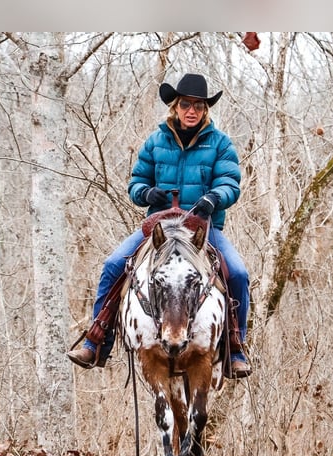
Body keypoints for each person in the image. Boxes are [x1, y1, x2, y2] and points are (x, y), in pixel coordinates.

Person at [67, 73, 252, 378]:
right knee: (114, 263)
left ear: (205, 110)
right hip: (159, 229)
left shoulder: (220, 144)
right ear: (175, 107)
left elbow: (230, 183)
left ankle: (235, 349)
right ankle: (96, 340)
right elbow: (136, 183)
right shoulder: (156, 141)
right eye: (185, 104)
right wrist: (146, 193)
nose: (191, 110)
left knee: (238, 273)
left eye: (198, 105)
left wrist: (213, 199)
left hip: (201, 230)